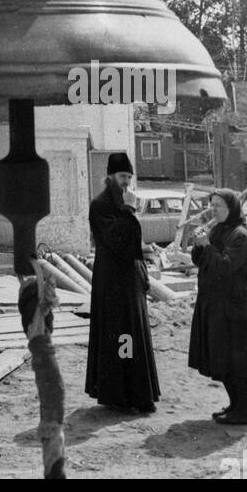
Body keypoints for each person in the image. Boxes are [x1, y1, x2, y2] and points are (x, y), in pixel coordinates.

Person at [85, 151, 160, 414]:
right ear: (110, 176)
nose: (126, 181)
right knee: (121, 334)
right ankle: (121, 394)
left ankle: (136, 392)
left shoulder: (122, 201)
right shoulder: (100, 204)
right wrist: (129, 211)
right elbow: (116, 240)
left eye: (129, 176)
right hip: (112, 280)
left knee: (132, 332)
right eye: (121, 176)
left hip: (129, 279)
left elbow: (133, 242)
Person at [188, 189, 247, 426]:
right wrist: (199, 241)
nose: (214, 209)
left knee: (240, 361)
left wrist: (206, 245)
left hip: (236, 309)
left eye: (219, 205)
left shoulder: (240, 236)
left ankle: (244, 412)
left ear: (232, 208)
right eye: (212, 205)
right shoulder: (219, 229)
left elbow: (224, 267)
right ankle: (235, 406)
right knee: (224, 359)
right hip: (219, 307)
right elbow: (200, 260)